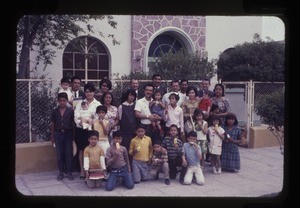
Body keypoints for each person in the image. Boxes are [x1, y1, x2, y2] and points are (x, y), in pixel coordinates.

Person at [74, 83, 101, 180]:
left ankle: (92, 170)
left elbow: (98, 116)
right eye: (87, 92)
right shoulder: (80, 103)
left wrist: (91, 122)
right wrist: (81, 123)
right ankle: (82, 170)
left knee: (93, 150)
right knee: (82, 150)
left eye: (91, 91)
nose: (89, 94)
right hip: (81, 129)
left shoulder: (97, 104)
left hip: (92, 130)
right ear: (85, 92)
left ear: (94, 92)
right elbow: (76, 115)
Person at [50, 92, 75, 181]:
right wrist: (52, 136)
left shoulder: (71, 111)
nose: (62, 102)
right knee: (60, 154)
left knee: (68, 153)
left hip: (68, 134)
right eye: (60, 101)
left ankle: (69, 172)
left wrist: (74, 136)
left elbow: (73, 124)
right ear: (58, 101)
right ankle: (61, 172)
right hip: (58, 134)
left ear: (67, 101)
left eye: (64, 100)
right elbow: (53, 124)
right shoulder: (54, 111)